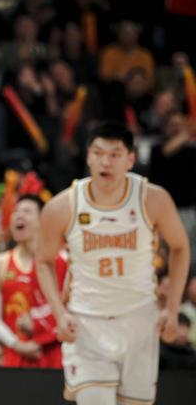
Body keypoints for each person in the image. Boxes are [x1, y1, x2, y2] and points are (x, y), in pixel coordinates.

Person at [36, 123, 190, 405]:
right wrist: (59, 313)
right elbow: (43, 261)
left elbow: (180, 247)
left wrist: (171, 308)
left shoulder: (153, 199)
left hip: (140, 321)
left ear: (130, 159)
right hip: (86, 323)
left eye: (115, 154)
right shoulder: (63, 206)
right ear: (88, 156)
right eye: (98, 153)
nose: (105, 162)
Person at [0, 194, 65, 368]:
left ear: (42, 220)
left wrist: (40, 330)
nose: (18, 216)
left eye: (27, 211)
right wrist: (16, 344)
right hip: (16, 356)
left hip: (54, 352)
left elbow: (68, 308)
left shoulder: (61, 261)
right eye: (16, 212)